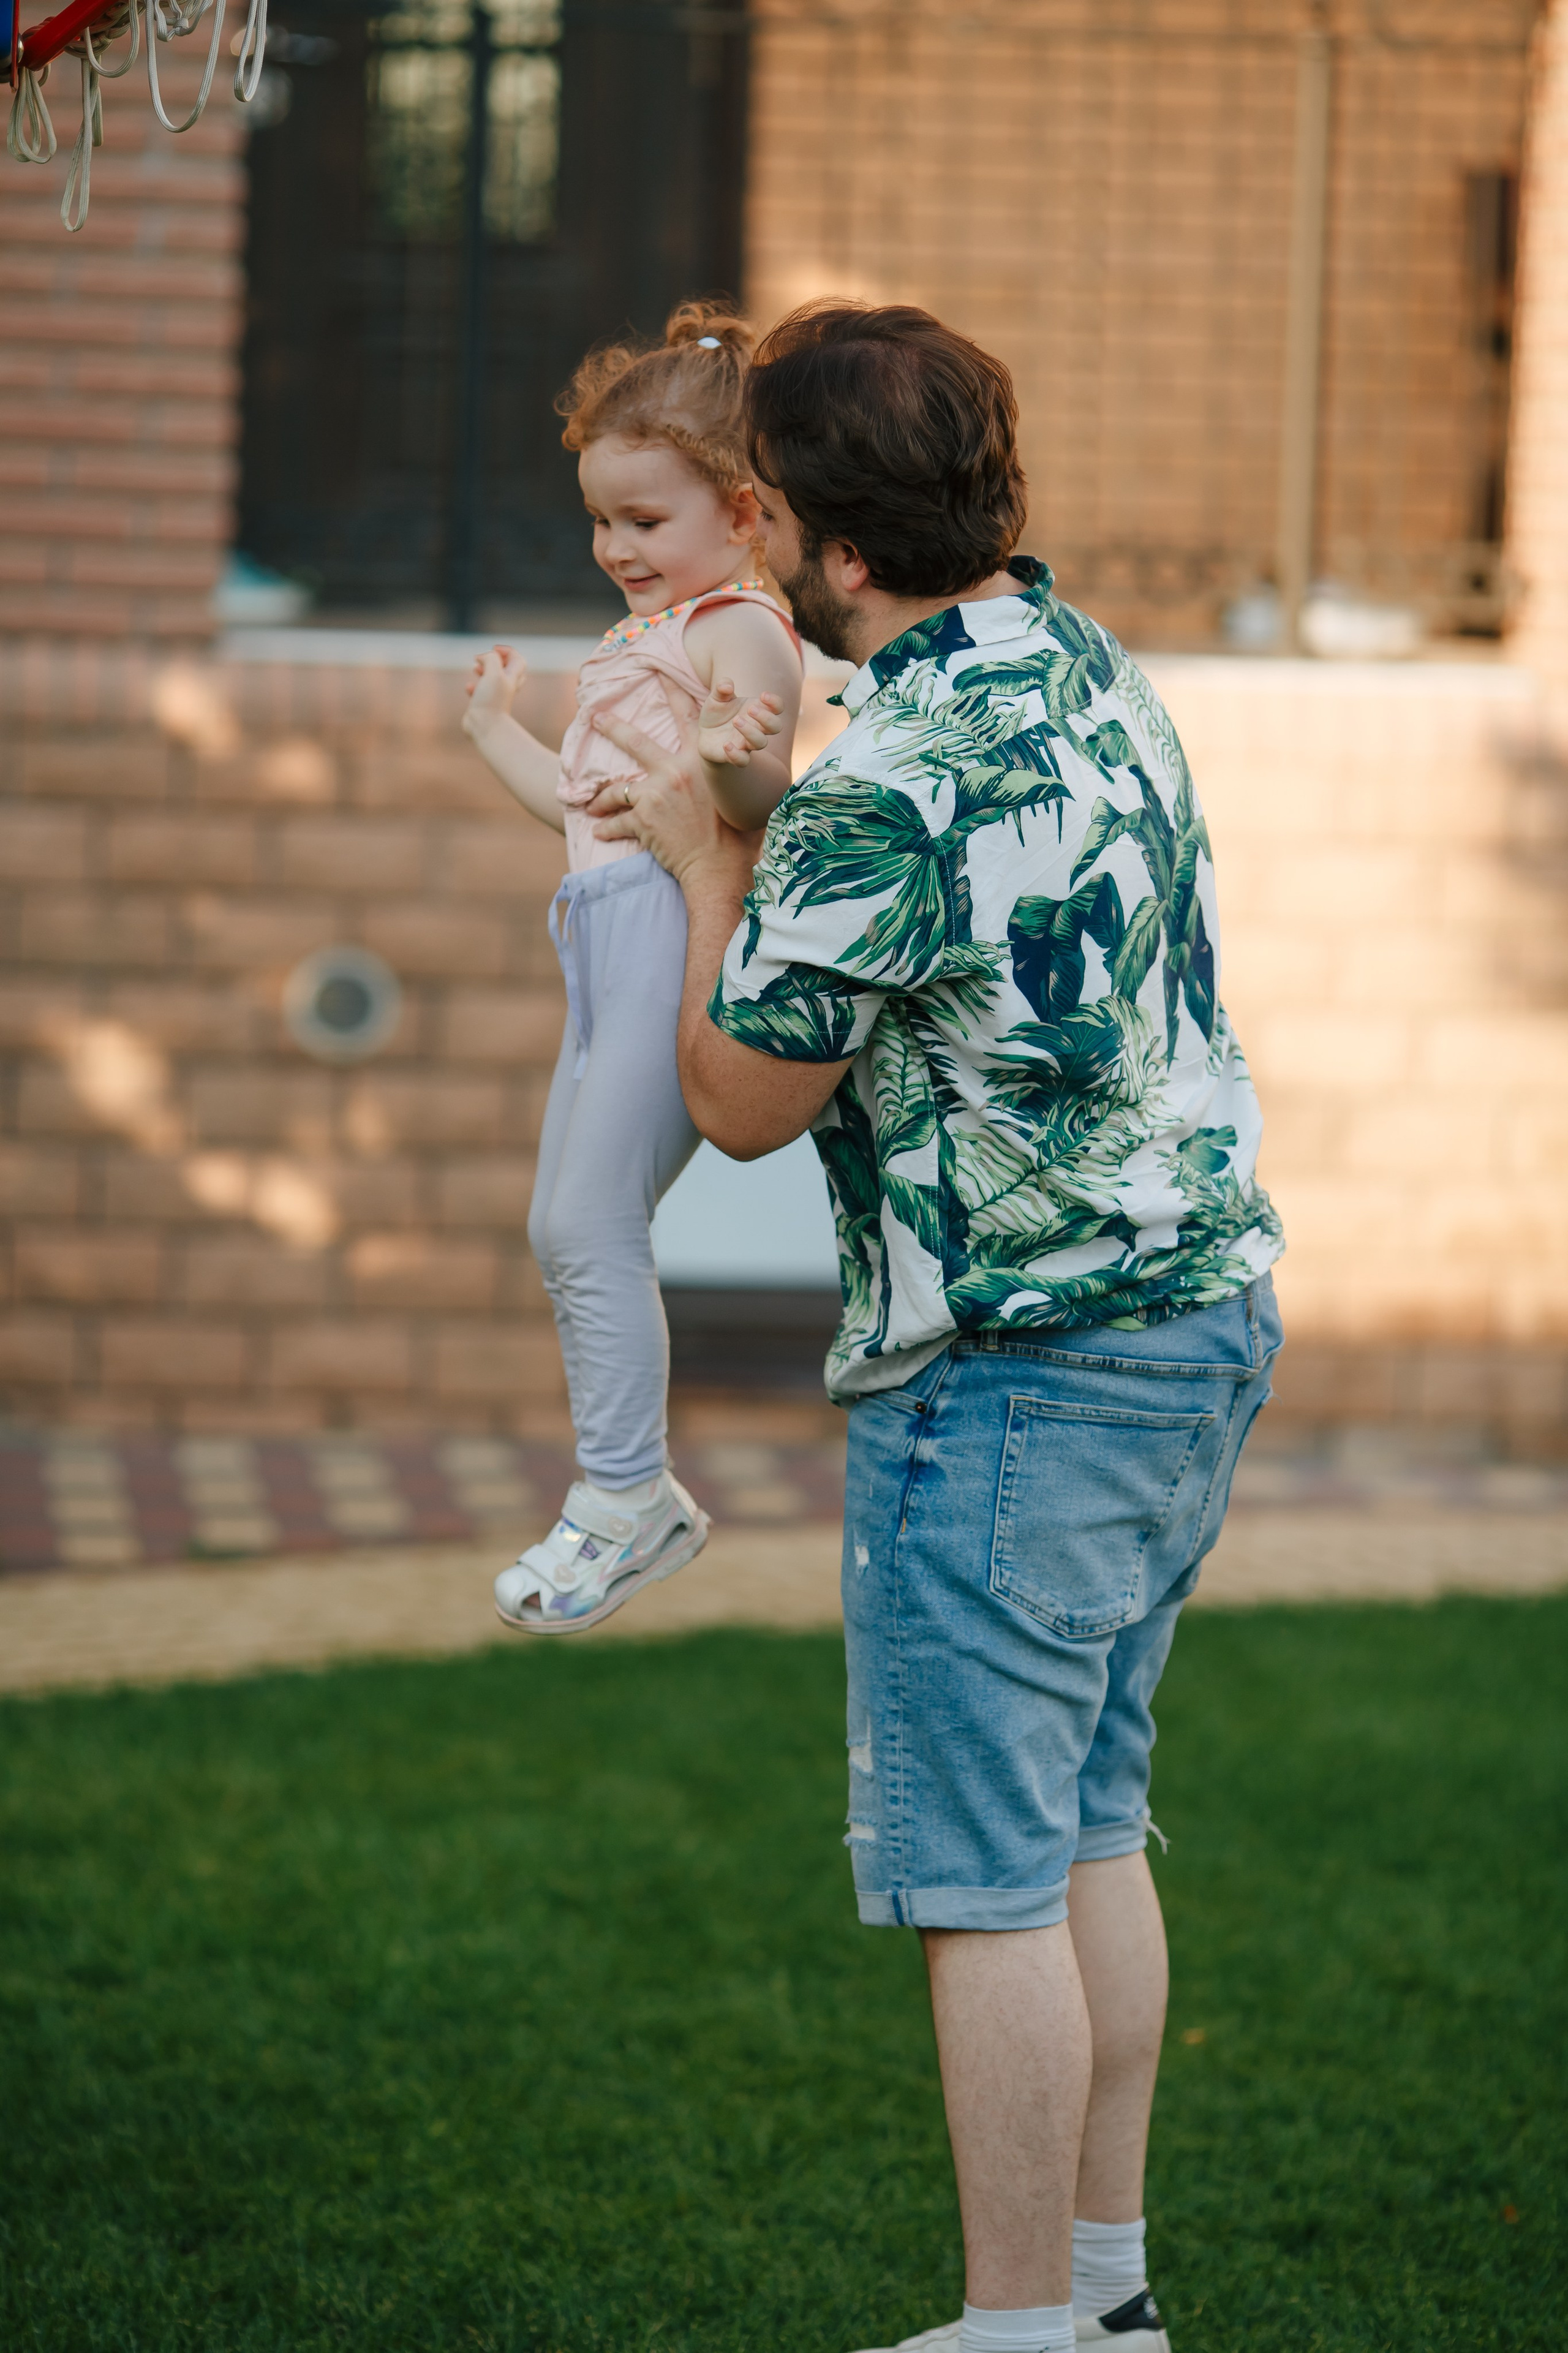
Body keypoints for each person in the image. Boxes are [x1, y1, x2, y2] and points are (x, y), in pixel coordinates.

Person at [590, 304, 1285, 2353]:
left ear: (818, 537)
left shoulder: (873, 785)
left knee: (984, 1873)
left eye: (754, 517)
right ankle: (1102, 2296)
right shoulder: (1086, 660)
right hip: (1201, 1326)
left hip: (1011, 1381)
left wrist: (711, 852)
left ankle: (1009, 2331)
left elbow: (736, 1103)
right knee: (1087, 1823)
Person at [462, 301, 803, 1632]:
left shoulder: (738, 630)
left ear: (736, 513)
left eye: (642, 523)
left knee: (589, 1223)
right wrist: (495, 733)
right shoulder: (637, 644)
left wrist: (734, 750)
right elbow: (580, 809)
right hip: (600, 946)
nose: (614, 549)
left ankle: (625, 1494)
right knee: (563, 1222)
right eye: (601, 522)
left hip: (667, 937)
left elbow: (762, 783)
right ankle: (621, 1487)